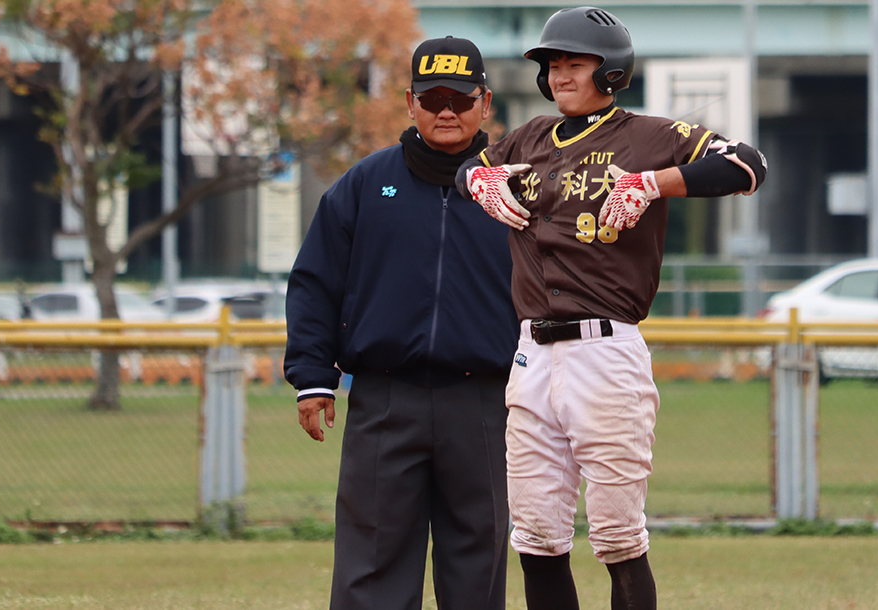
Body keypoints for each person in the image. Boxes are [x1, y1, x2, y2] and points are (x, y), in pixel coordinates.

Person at [456, 7, 767, 610]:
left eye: (576, 63)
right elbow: (475, 164)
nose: (561, 75)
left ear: (613, 70)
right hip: (530, 354)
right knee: (537, 534)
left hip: (606, 350)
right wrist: (478, 181)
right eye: (553, 64)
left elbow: (747, 166)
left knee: (617, 534)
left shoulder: (647, 135)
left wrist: (653, 183)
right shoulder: (530, 136)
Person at [285, 36, 518, 610]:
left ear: (485, 104)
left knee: (477, 561)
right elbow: (316, 279)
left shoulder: (516, 187)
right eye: (431, 97)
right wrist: (313, 377)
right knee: (371, 560)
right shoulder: (366, 184)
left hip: (487, 402)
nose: (446, 111)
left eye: (460, 100)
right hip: (386, 399)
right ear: (409, 103)